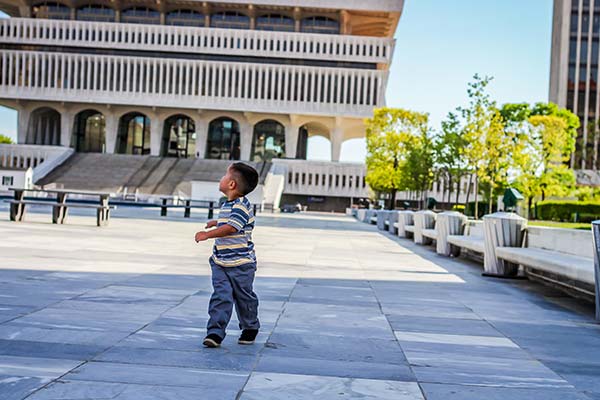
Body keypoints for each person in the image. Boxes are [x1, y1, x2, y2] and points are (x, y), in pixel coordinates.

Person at [194, 162, 260, 348]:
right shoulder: (228, 204)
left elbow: (231, 227)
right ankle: (215, 332)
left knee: (243, 297)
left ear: (231, 184)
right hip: (220, 262)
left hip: (241, 264)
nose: (221, 178)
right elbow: (227, 222)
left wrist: (207, 235)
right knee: (221, 296)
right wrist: (216, 222)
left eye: (224, 175)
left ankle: (250, 326)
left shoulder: (242, 206)